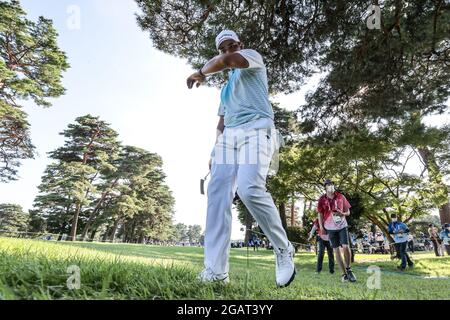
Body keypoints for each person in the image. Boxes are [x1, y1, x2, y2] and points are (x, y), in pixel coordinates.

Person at [187, 30, 295, 287]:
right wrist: (215, 151)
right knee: (217, 193)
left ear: (240, 45)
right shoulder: (225, 89)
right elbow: (222, 122)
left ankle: (283, 249)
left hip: (257, 130)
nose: (227, 51)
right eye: (223, 48)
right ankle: (215, 271)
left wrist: (201, 73)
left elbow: (226, 62)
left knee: (249, 188)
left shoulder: (251, 58)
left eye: (231, 46)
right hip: (229, 139)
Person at [317, 179, 356, 283]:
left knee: (346, 247)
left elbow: (348, 211)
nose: (330, 186)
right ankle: (344, 275)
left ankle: (349, 269)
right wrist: (321, 227)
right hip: (329, 227)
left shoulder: (340, 196)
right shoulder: (322, 199)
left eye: (332, 184)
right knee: (336, 250)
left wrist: (342, 213)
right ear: (325, 187)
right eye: (328, 185)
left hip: (342, 225)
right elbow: (320, 213)